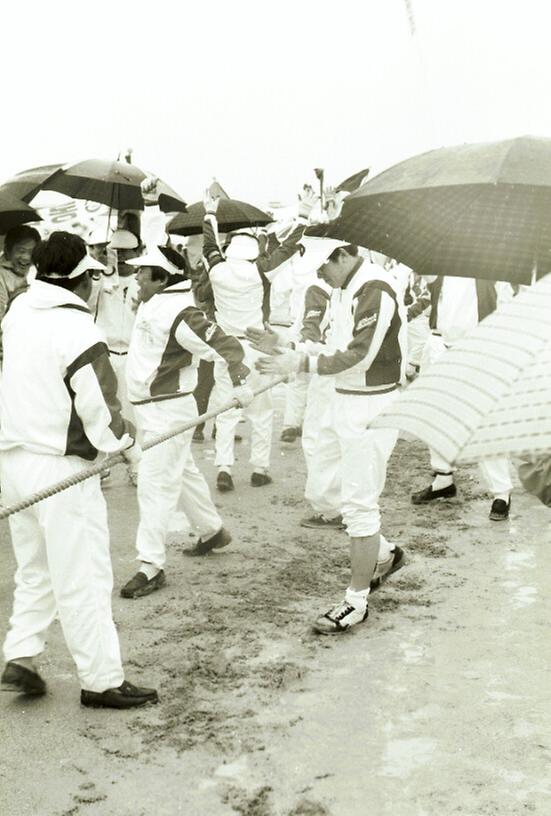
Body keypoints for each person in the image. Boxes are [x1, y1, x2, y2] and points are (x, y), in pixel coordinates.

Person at [0, 231, 157, 708]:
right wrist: (130, 441)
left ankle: (21, 655)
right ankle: (101, 679)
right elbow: (101, 416)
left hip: (12, 461)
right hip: (60, 470)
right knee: (84, 575)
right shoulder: (78, 329)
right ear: (83, 279)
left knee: (37, 568)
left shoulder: (19, 310)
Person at [255, 243, 407, 634]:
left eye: (322, 269)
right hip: (347, 400)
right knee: (345, 496)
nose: (320, 278)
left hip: (371, 407)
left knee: (358, 505)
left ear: (342, 256)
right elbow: (333, 346)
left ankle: (356, 601)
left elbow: (361, 355)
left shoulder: (375, 288)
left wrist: (301, 362)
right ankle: (386, 554)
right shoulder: (347, 287)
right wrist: (286, 346)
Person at [120, 245, 253, 598]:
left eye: (142, 272)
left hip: (168, 409)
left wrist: (241, 384)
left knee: (154, 484)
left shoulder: (183, 312)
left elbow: (228, 347)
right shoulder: (155, 300)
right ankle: (212, 531)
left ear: (162, 279)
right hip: (149, 407)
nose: (136, 276)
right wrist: (149, 204)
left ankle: (150, 566)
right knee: (183, 474)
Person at [202, 188, 314, 492]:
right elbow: (289, 248)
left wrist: (210, 212)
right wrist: (303, 214)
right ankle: (259, 468)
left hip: (227, 348)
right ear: (253, 251)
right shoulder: (261, 271)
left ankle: (224, 467)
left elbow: (210, 243)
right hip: (257, 346)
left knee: (226, 411)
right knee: (262, 411)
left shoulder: (216, 269)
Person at [410, 274, 514, 520]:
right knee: (436, 416)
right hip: (440, 345)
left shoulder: (492, 268)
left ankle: (501, 492)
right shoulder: (440, 264)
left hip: (479, 349)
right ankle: (443, 477)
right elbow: (431, 298)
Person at [93, 228, 142, 485]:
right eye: (117, 251)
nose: (122, 257)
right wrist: (103, 274)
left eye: (127, 251)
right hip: (106, 354)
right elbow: (88, 305)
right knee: (103, 411)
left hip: (134, 355)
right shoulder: (99, 279)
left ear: (138, 252)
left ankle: (135, 466)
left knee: (133, 414)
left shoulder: (143, 280)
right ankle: (102, 466)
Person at [0, 224, 41, 331]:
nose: (26, 258)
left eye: (31, 252)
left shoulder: (36, 270)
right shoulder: (1, 275)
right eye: (21, 251)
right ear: (7, 250)